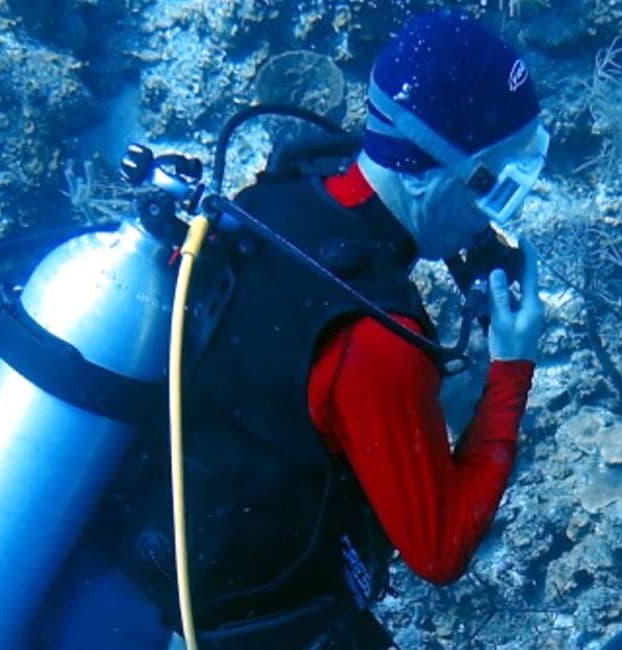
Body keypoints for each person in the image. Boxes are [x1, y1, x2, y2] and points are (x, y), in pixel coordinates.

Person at [31, 11, 549, 649]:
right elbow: (439, 551)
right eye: (494, 187)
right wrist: (511, 369)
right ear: (422, 172)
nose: (496, 217)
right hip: (214, 627)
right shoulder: (378, 339)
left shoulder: (275, 198)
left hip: (102, 567)